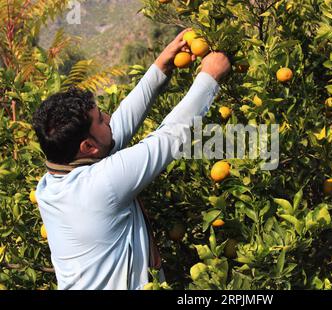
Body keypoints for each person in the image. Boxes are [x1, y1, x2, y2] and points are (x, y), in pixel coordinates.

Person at [32, 29, 231, 290]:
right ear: (88, 146)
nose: (109, 119)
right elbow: (169, 137)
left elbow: (116, 132)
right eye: (102, 119)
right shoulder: (100, 185)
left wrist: (161, 66)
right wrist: (210, 78)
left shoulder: (52, 183)